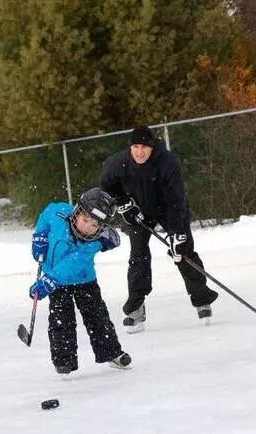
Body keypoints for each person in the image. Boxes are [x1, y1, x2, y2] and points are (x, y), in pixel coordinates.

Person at [99, 125, 218, 332]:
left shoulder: (168, 162)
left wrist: (178, 233)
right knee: (138, 256)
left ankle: (202, 299)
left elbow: (177, 200)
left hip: (168, 209)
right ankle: (135, 309)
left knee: (183, 252)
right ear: (130, 148)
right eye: (135, 147)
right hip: (138, 210)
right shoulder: (119, 162)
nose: (139, 152)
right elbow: (106, 184)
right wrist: (123, 202)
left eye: (144, 147)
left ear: (152, 147)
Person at [29, 188, 132, 374]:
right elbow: (46, 215)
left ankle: (111, 352)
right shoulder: (59, 213)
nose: (88, 227)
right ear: (77, 212)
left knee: (97, 317)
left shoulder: (94, 242)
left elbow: (72, 263)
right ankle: (64, 360)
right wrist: (40, 236)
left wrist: (50, 279)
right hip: (56, 280)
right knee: (61, 320)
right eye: (85, 220)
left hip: (83, 280)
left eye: (95, 225)